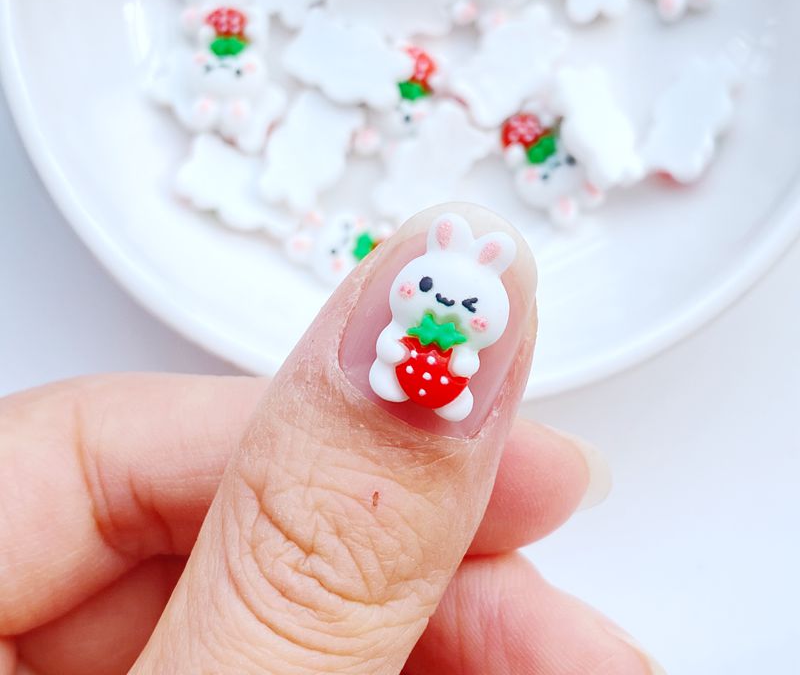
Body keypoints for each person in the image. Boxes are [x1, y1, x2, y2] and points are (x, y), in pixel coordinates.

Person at [0, 206, 664, 674]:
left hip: (440, 387)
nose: (443, 309)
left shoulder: (452, 341)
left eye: (466, 307)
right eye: (430, 289)